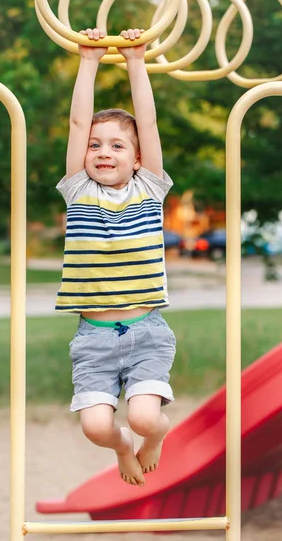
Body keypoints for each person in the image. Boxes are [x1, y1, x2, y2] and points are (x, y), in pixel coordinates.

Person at [56, 27, 176, 487]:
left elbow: (147, 123)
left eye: (116, 145)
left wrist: (136, 61)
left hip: (146, 332)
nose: (103, 151)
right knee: (96, 428)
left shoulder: (150, 188)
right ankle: (122, 445)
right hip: (93, 339)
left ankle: (150, 438)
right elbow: (75, 123)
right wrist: (88, 61)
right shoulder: (78, 190)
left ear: (138, 157)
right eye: (95, 144)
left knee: (147, 418)